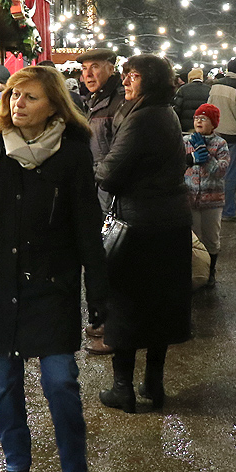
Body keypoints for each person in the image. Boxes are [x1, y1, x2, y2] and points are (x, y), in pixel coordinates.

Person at [0, 65, 107, 472]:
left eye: (29, 97)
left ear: (55, 105)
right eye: (14, 95)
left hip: (50, 286)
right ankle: (16, 466)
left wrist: (99, 299)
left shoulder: (73, 153)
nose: (17, 103)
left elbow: (87, 227)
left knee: (61, 384)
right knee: (5, 386)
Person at [96, 54, 193, 414]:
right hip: (171, 222)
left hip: (139, 226)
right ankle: (154, 383)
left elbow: (110, 172)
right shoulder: (164, 111)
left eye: (132, 76)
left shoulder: (143, 117)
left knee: (126, 305)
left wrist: (92, 166)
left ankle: (123, 389)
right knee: (160, 307)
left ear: (149, 80)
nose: (126, 82)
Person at [77, 47, 122, 353]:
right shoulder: (93, 101)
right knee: (97, 255)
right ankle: (102, 321)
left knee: (108, 256)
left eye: (95, 67)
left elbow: (118, 151)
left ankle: (111, 326)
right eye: (84, 69)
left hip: (111, 189)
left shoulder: (118, 102)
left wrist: (100, 177)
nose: (88, 74)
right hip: (98, 186)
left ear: (111, 67)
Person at [183, 103, 230, 287]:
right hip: (190, 199)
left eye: (204, 118)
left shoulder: (221, 144)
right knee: (193, 240)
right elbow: (178, 164)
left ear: (213, 123)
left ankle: (210, 273)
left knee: (211, 238)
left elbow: (220, 171)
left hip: (213, 201)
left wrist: (205, 154)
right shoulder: (186, 141)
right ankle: (194, 272)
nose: (198, 121)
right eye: (196, 118)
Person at [208, 57, 236, 222]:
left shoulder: (216, 85)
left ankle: (214, 208)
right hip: (234, 136)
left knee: (216, 173)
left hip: (216, 134)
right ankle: (228, 211)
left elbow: (209, 108)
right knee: (231, 174)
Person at [173, 66, 212, 132]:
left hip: (185, 125)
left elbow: (177, 108)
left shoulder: (183, 89)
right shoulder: (209, 89)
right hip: (202, 124)